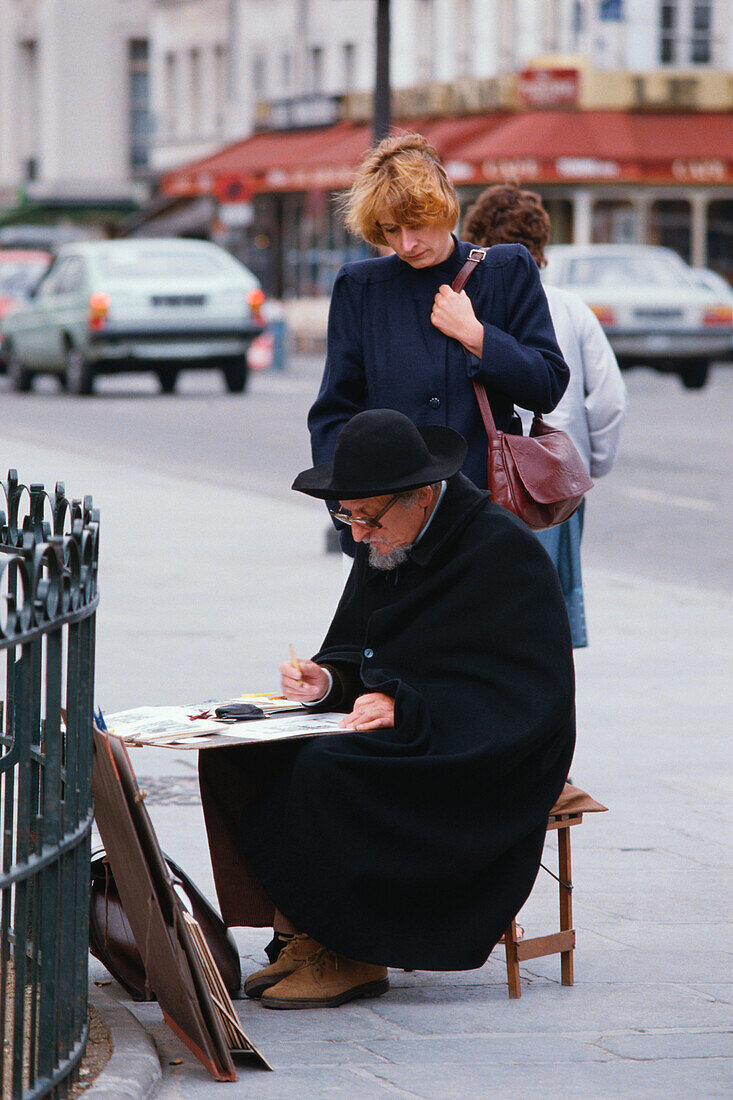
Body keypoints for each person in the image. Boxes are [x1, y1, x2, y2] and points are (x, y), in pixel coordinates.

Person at [198, 410, 576, 1010]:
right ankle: (301, 933)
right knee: (245, 757)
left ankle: (355, 950)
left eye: (366, 516)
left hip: (489, 751)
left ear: (423, 497)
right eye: (344, 515)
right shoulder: (387, 542)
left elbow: (527, 698)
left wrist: (409, 707)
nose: (355, 533)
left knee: (329, 768)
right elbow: (360, 650)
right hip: (422, 728)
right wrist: (327, 680)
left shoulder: (502, 552)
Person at [308, 133, 570, 553]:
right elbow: (334, 413)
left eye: (417, 224)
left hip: (483, 522)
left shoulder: (506, 271)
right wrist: (353, 518)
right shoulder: (360, 288)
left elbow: (548, 384)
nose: (406, 243)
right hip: (388, 532)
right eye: (391, 230)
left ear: (444, 208)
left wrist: (478, 336)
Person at [462, 185, 627, 647]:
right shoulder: (569, 307)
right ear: (541, 244)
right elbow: (610, 399)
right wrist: (591, 464)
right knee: (546, 619)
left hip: (482, 479)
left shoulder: (463, 302)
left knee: (487, 619)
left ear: (476, 234)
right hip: (552, 484)